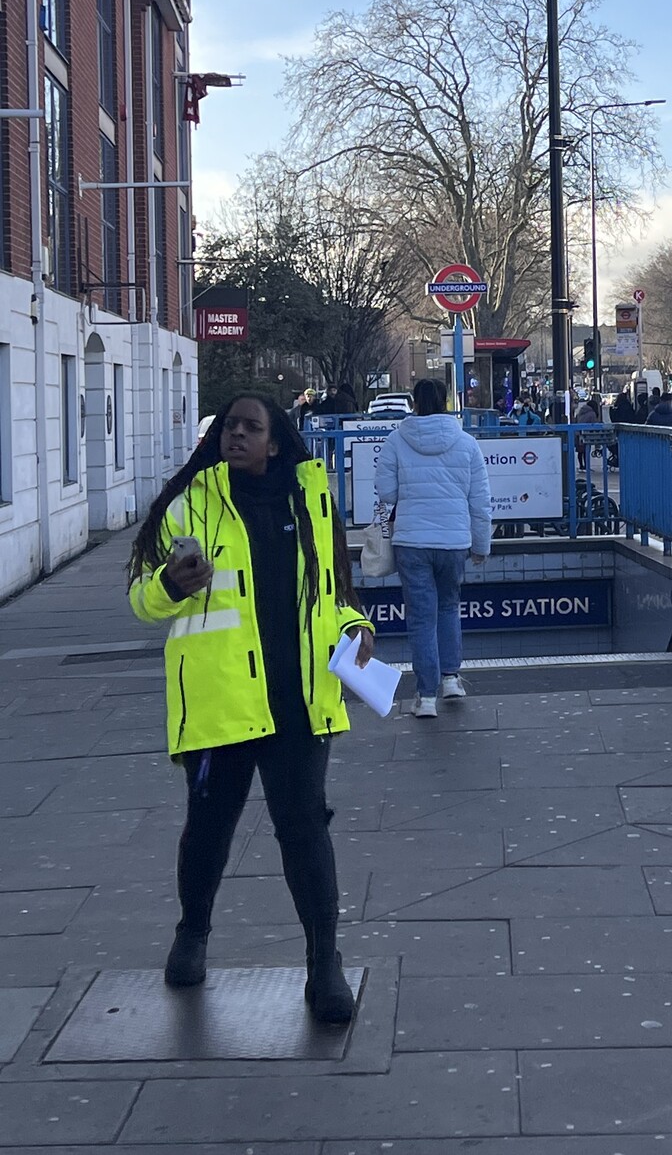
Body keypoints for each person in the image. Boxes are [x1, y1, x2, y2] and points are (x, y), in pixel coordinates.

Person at [127, 394, 376, 1025]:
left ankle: (324, 965)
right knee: (209, 827)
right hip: (222, 700)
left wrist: (355, 626)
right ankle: (193, 932)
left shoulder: (310, 500)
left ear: (275, 441)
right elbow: (141, 600)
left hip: (300, 701)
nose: (235, 434)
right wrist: (169, 586)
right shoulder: (188, 504)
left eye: (250, 427)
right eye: (229, 426)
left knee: (305, 828)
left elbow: (331, 593)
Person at [375, 379, 491, 719]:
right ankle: (451, 679)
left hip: (411, 542)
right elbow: (480, 502)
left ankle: (426, 697)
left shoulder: (396, 440)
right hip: (454, 543)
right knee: (449, 608)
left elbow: (387, 493)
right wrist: (481, 545)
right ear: (445, 402)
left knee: (421, 618)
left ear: (414, 402)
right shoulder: (466, 443)